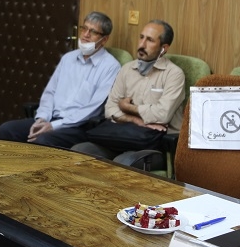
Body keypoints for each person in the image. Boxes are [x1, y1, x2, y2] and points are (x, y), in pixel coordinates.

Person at [0, 11, 121, 148]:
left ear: (104, 40)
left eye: (93, 32)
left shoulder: (111, 67)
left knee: (43, 140)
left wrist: (54, 126)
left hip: (78, 126)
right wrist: (42, 118)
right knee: (7, 130)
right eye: (84, 28)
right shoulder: (68, 58)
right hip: (51, 119)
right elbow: (50, 92)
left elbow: (93, 108)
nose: (86, 35)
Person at [73, 20, 185, 159]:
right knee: (79, 151)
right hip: (122, 136)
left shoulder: (174, 74)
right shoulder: (127, 69)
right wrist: (135, 120)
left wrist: (126, 107)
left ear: (164, 48)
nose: (142, 44)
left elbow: (162, 115)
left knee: (123, 162)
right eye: (141, 37)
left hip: (153, 144)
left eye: (150, 40)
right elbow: (110, 109)